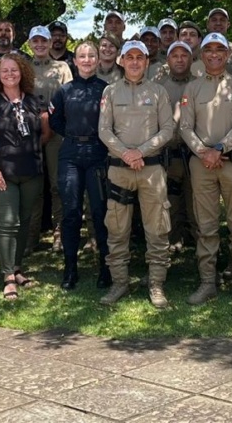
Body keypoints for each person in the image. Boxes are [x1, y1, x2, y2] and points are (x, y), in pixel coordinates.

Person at [179, 32, 232, 307]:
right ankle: (207, 284)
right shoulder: (192, 88)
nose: (213, 54)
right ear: (202, 55)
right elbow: (185, 127)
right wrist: (203, 152)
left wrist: (219, 149)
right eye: (208, 49)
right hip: (202, 165)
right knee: (206, 226)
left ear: (226, 55)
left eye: (219, 50)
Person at [98, 40, 176, 307]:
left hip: (151, 170)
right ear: (121, 60)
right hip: (119, 170)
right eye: (129, 57)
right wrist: (126, 153)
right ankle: (120, 283)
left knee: (157, 229)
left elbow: (167, 128)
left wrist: (141, 151)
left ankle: (156, 285)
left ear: (146, 61)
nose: (134, 62)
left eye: (139, 57)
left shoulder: (158, 92)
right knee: (117, 228)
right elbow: (104, 130)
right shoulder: (110, 91)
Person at [0, 55, 50, 300]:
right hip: (2, 174)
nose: (9, 74)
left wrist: (29, 152)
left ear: (23, 72)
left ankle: (17, 268)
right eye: (4, 70)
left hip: (31, 172)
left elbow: (45, 133)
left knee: (25, 222)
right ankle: (7, 277)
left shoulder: (35, 101)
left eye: (14, 70)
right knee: (8, 222)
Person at [50, 41, 111, 290]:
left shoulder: (107, 90)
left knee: (100, 212)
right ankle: (70, 269)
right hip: (71, 154)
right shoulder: (64, 91)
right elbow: (54, 121)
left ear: (97, 60)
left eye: (91, 56)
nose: (86, 60)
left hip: (97, 152)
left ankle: (105, 269)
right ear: (74, 61)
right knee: (72, 212)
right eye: (81, 56)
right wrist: (74, 135)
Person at [26, 25, 73, 253]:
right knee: (33, 184)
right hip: (29, 132)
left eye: (43, 40)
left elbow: (69, 97)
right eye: (35, 41)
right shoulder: (23, 67)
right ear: (30, 44)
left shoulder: (62, 67)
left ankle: (59, 234)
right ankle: (31, 236)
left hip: (56, 132)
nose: (40, 45)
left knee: (57, 184)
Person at [156, 40, 198, 251]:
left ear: (191, 59)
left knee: (196, 204)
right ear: (168, 59)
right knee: (171, 202)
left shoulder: (200, 85)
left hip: (194, 155)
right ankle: (173, 242)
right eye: (175, 55)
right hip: (169, 154)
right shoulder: (160, 88)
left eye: (184, 55)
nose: (179, 59)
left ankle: (200, 245)